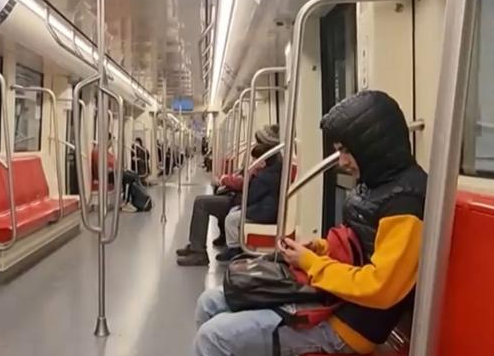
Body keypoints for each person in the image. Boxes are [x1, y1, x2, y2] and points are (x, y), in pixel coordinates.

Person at [193, 90, 426, 356]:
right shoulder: (375, 184)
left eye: (347, 151)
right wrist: (320, 247)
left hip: (348, 326)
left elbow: (380, 288)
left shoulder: (405, 204)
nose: (342, 162)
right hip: (332, 298)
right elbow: (358, 245)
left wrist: (311, 263)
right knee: (209, 302)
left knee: (213, 337)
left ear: (371, 147)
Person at [177, 124, 279, 266]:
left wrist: (232, 179)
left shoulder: (268, 166)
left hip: (246, 201)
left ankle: (198, 252)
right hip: (243, 198)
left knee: (201, 203)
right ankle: (196, 244)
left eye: (259, 141)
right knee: (208, 197)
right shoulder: (266, 160)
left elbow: (249, 188)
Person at [215, 125, 282, 263]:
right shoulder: (271, 166)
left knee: (231, 218)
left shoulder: (263, 176)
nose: (252, 162)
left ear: (262, 162)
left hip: (264, 211)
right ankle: (232, 242)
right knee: (233, 211)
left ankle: (234, 249)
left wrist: (250, 175)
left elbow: (251, 195)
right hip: (262, 206)